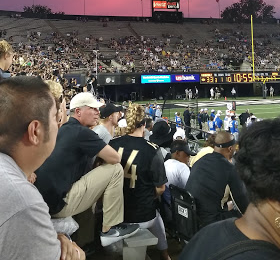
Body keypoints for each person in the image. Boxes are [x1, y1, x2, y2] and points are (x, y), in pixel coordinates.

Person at [35, 92, 138, 247]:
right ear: (78, 112)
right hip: (58, 204)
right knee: (115, 169)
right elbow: (115, 158)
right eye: (93, 109)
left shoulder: (64, 129)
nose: (98, 112)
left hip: (45, 202)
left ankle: (86, 244)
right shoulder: (81, 132)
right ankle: (109, 228)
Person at [180, 114, 280, 259]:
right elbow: (242, 201)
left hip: (192, 218)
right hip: (208, 218)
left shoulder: (202, 159)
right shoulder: (228, 167)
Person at [0, 76, 85, 260]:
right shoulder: (24, 201)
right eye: (56, 118)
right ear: (35, 131)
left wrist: (50, 238)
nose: (59, 125)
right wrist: (78, 255)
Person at [110, 104, 171, 260]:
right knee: (157, 218)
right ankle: (165, 254)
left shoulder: (112, 144)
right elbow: (161, 188)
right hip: (143, 215)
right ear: (144, 124)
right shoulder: (153, 149)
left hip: (115, 213)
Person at [185, 131, 249, 228]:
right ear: (230, 149)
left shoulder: (201, 160)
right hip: (209, 221)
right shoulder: (229, 168)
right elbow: (243, 204)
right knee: (241, 215)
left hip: (191, 216)